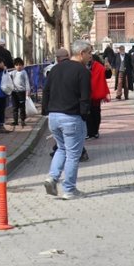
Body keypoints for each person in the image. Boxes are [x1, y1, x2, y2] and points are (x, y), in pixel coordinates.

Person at [42, 42, 91, 199]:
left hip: (54, 116)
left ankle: (52, 177)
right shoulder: (82, 71)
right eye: (89, 53)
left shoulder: (56, 68)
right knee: (72, 155)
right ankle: (69, 189)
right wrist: (84, 115)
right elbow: (85, 96)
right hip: (71, 117)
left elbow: (46, 91)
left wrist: (46, 111)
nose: (91, 56)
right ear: (82, 53)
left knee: (61, 148)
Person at [87, 50, 109, 139]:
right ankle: (89, 132)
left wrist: (107, 69)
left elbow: (107, 75)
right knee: (87, 114)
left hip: (96, 93)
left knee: (95, 113)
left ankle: (95, 131)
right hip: (85, 94)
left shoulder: (98, 65)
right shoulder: (80, 65)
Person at [6, 58, 30, 127]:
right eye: (16, 65)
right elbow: (6, 74)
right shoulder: (13, 72)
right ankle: (15, 121)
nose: (18, 66)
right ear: (14, 66)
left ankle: (22, 120)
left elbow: (27, 82)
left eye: (20, 65)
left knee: (22, 107)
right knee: (15, 107)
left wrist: (28, 91)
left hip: (21, 92)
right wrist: (4, 70)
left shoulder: (24, 72)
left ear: (22, 65)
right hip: (14, 92)